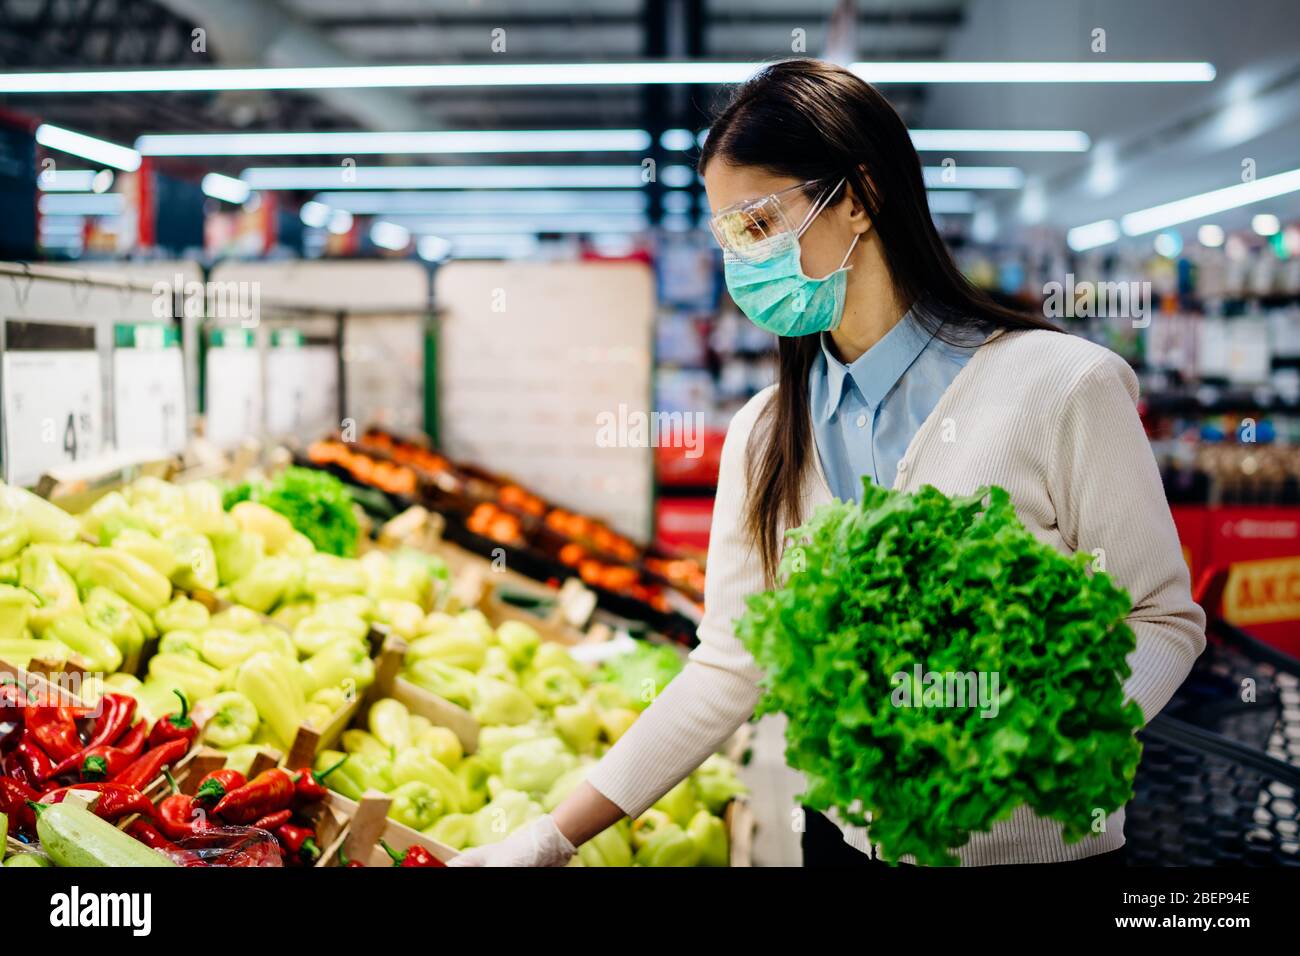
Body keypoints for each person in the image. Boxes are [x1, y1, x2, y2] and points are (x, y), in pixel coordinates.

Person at [451, 58, 1206, 867]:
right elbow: (728, 668)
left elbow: (1162, 620)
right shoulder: (765, 434)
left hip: (1042, 859)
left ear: (858, 196)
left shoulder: (1058, 387)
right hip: (843, 846)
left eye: (759, 224)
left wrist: (1024, 753)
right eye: (728, 235)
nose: (743, 262)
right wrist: (552, 836)